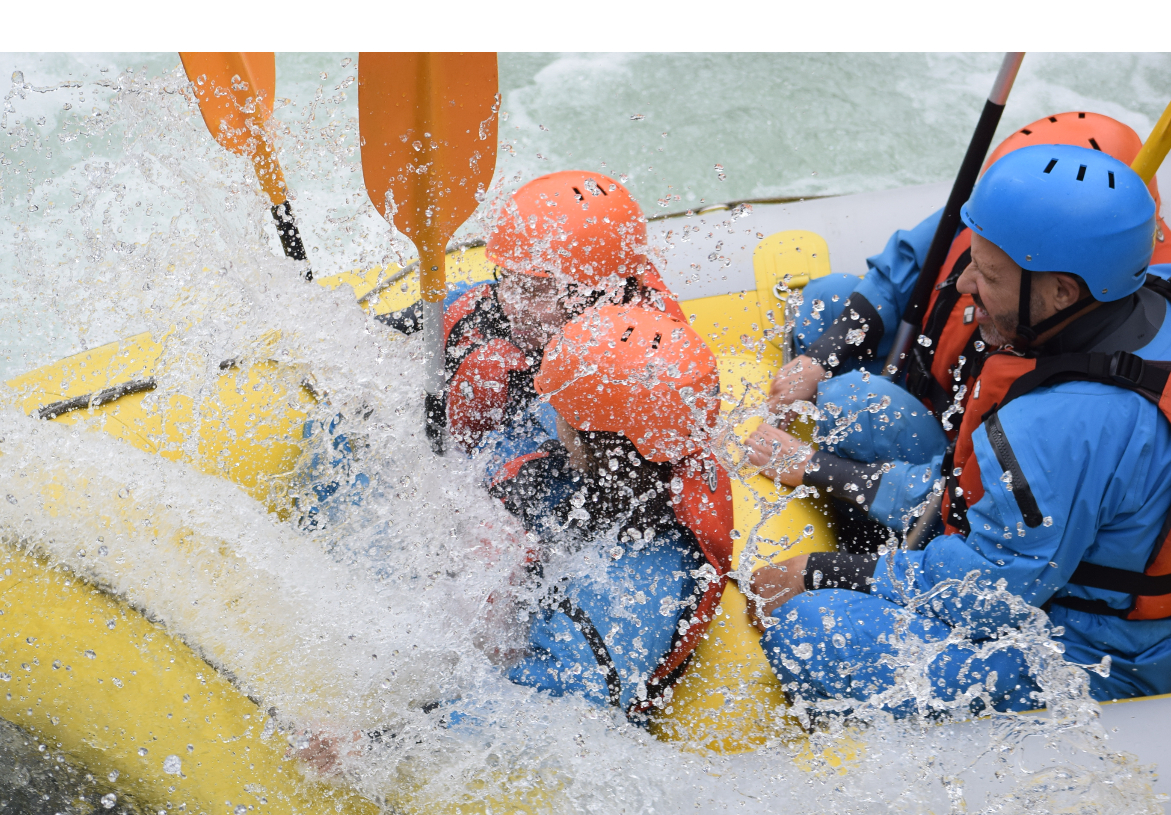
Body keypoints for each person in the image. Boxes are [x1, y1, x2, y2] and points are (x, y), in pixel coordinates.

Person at [749, 143, 1171, 717]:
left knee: (813, 628)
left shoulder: (1062, 421)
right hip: (1075, 578)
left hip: (1097, 656)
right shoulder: (1149, 303)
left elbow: (988, 594)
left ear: (1063, 292)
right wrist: (827, 473)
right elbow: (965, 500)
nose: (967, 283)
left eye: (990, 275)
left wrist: (821, 571)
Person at [749, 113, 1171, 538]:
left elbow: (997, 484)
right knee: (830, 298)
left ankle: (860, 530)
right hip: (933, 387)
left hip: (963, 463)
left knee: (856, 402)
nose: (970, 277)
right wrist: (820, 360)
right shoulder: (1001, 220)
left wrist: (819, 469)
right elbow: (900, 270)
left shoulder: (1076, 306)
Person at [481, 302, 732, 719]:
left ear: (584, 434)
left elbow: (557, 714)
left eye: (559, 407)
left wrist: (380, 740)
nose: (550, 408)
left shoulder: (625, 592)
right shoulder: (650, 444)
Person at [378, 170, 685, 459]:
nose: (512, 305)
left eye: (536, 290)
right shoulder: (479, 310)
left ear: (605, 296)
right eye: (509, 278)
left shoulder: (639, 373)